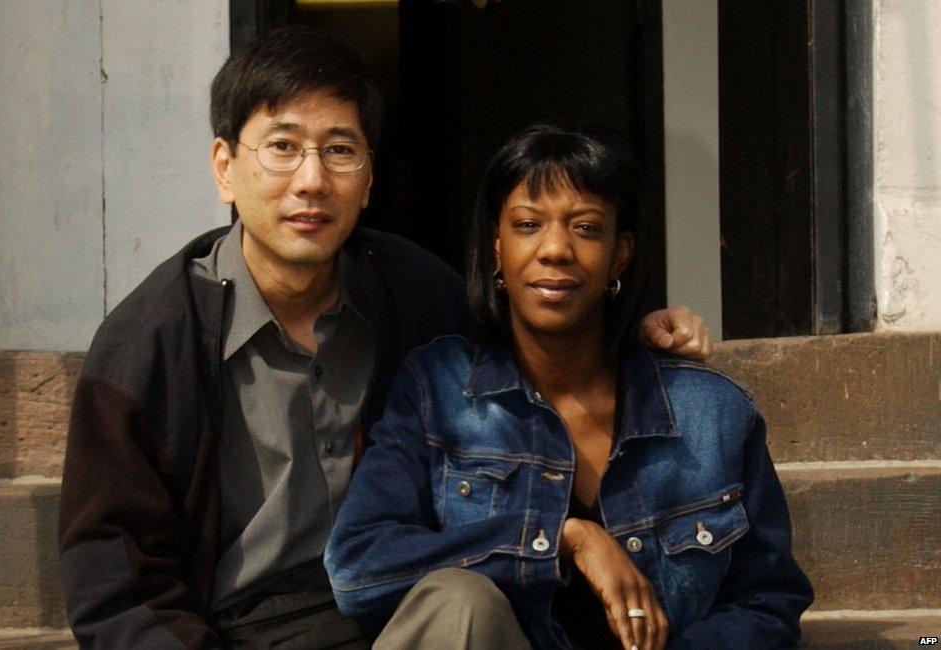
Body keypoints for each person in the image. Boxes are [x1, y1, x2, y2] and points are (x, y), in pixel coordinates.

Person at [57, 28, 713, 649]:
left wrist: (633, 333)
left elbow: (534, 354)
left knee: (466, 603)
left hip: (405, 624)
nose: (311, 180)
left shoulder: (415, 296)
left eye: (339, 150)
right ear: (225, 167)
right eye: (282, 147)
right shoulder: (151, 342)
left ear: (368, 178)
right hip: (236, 635)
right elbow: (113, 580)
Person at [325, 123, 814, 649]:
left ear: (619, 255)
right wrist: (562, 540)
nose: (555, 249)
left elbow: (768, 603)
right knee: (459, 599)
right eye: (528, 224)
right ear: (497, 248)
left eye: (585, 228)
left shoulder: (710, 413)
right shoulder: (436, 391)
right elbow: (360, 565)